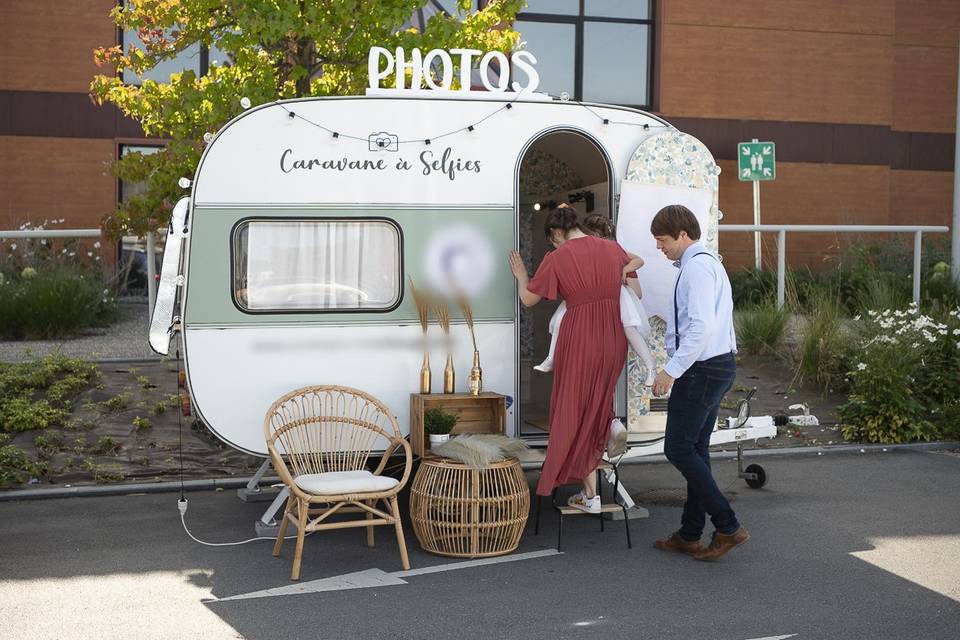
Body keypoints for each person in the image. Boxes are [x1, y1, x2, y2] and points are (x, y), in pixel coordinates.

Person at [508, 204, 633, 514]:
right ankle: (591, 490)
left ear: (556, 233)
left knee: (570, 410)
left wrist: (522, 275)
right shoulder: (612, 247)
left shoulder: (558, 257)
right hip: (613, 335)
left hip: (579, 336)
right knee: (596, 405)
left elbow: (528, 300)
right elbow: (632, 270)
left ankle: (579, 483)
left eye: (552, 238)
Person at [649, 204, 748, 561]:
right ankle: (690, 534)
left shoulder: (697, 268)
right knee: (696, 451)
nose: (660, 248)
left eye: (662, 240)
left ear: (682, 234)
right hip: (715, 366)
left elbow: (701, 327)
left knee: (677, 448)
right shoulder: (706, 264)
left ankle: (728, 526)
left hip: (703, 369)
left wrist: (671, 370)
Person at [534, 214, 657, 388]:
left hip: (614, 294)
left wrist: (623, 270)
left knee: (629, 328)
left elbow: (638, 267)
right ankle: (551, 357)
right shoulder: (581, 253)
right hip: (588, 298)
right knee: (560, 320)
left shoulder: (613, 250)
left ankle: (651, 366)